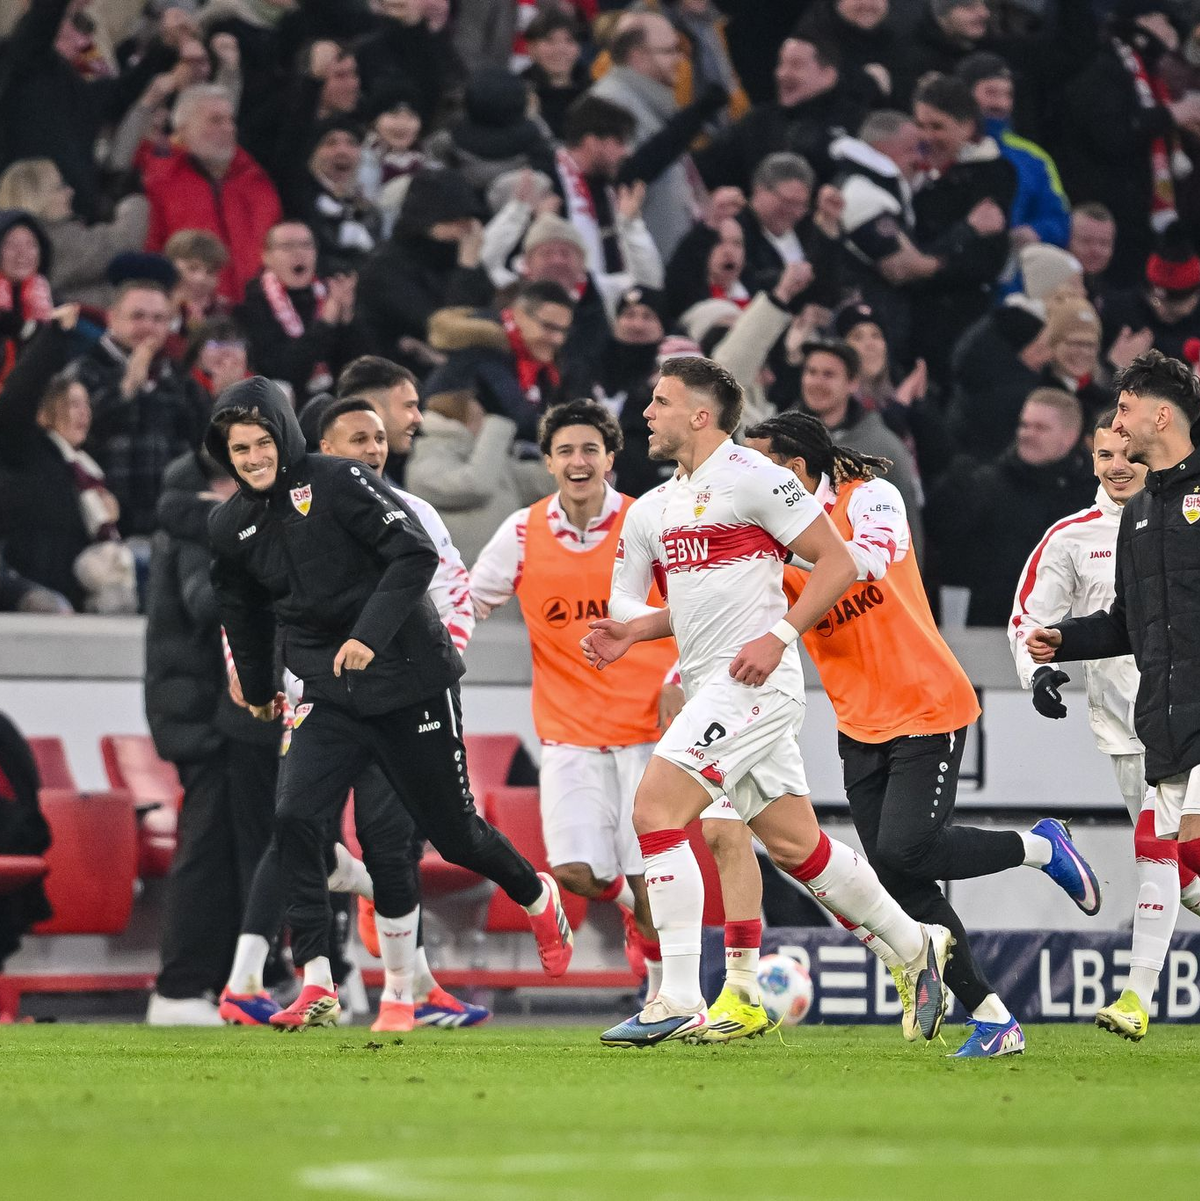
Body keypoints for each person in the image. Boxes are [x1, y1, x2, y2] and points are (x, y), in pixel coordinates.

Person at [581, 355, 953, 1047]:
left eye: (660, 402)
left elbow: (838, 562)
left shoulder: (759, 479)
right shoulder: (660, 505)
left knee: (655, 808)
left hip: (755, 685)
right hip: (714, 685)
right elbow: (667, 601)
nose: (647, 414)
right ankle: (915, 944)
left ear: (700, 413)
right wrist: (634, 628)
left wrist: (781, 636)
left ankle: (678, 995)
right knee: (795, 845)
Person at [207, 376, 573, 1028]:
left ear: (285, 438)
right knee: (293, 818)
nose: (254, 457)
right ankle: (357, 986)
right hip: (328, 692)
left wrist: (366, 637)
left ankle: (533, 891)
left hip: (409, 681)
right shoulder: (230, 523)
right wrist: (261, 691)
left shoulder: (339, 481)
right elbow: (242, 612)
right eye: (239, 449)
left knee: (450, 834)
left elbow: (416, 553)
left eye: (263, 442)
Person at [742, 410, 1102, 1057]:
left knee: (907, 848)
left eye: (756, 466)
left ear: (793, 470)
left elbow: (864, 563)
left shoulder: (870, 498)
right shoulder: (770, 539)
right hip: (858, 722)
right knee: (897, 878)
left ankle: (1042, 847)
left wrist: (776, 547)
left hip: (927, 703)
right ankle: (994, 1018)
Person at [471, 399, 681, 989]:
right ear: (548, 462)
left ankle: (664, 998)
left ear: (611, 458)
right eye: (565, 450)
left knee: (653, 880)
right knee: (572, 872)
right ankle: (628, 913)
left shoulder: (647, 521)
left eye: (590, 448)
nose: (578, 460)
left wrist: (677, 679)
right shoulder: (522, 530)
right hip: (568, 733)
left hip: (647, 731)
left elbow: (698, 607)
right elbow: (468, 601)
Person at [1011, 407, 1200, 1042]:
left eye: (1126, 451)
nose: (1117, 466)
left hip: (1188, 719)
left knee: (1158, 846)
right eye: (1103, 455)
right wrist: (1041, 667)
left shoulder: (1183, 513)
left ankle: (1136, 997)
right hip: (1128, 731)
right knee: (1185, 874)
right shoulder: (1073, 537)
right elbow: (1030, 621)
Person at [144, 448, 282, 1026]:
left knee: (227, 850)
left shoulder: (192, 526)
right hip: (208, 713)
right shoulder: (207, 530)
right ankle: (180, 987)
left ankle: (214, 983)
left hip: (202, 710)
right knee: (206, 850)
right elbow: (208, 604)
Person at [0, 307, 132, 613]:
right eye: (72, 404)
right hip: (29, 597)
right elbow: (18, 397)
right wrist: (54, 336)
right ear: (44, 410)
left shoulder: (89, 467)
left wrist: (116, 512)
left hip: (79, 599)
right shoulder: (25, 449)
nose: (84, 412)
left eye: (86, 404)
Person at [928, 388, 1095, 627]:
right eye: (1024, 425)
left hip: (1062, 636)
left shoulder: (1092, 497)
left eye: (1040, 428)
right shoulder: (984, 484)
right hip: (987, 633)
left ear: (1069, 436)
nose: (1027, 434)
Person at [75, 281, 209, 541]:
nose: (148, 326)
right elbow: (79, 437)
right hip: (105, 531)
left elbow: (204, 446)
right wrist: (128, 388)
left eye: (159, 319)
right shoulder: (84, 371)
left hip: (172, 528)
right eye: (138, 316)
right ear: (112, 318)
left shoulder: (182, 379)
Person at [143, 84, 282, 303]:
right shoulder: (160, 181)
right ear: (182, 129)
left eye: (231, 120)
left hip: (259, 311)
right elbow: (150, 251)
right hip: (189, 311)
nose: (228, 128)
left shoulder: (256, 182)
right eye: (215, 120)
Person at [423, 279, 576, 446]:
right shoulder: (482, 347)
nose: (558, 339)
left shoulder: (535, 355)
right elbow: (520, 418)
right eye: (549, 327)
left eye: (563, 330)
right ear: (519, 315)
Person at [236, 222, 368, 410]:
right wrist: (326, 324)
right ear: (266, 257)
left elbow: (360, 368)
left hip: (337, 404)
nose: (299, 253)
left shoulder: (331, 294)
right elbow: (283, 370)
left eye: (306, 245)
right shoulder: (252, 307)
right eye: (287, 246)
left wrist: (347, 319)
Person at [0, 157, 148, 310]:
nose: (70, 192)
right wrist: (132, 199)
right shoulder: (51, 240)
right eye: (59, 187)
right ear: (37, 197)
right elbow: (123, 244)